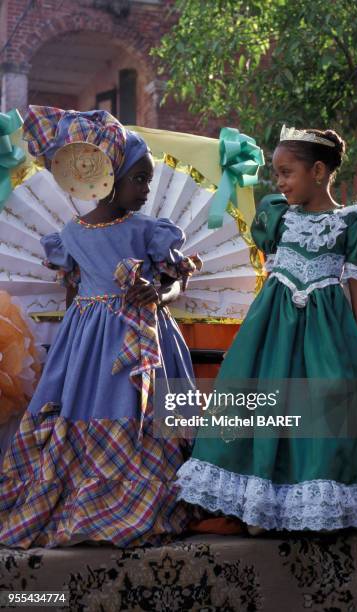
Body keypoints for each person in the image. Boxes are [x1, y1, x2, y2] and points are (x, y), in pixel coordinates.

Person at [175, 124, 357, 533]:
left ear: (318, 171)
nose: (279, 182)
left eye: (286, 172)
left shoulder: (352, 225)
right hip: (271, 332)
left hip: (326, 336)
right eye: (276, 173)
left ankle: (310, 506)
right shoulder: (278, 218)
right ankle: (257, 506)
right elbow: (271, 274)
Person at [0, 106, 201, 549]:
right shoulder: (70, 235)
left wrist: (159, 294)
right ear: (109, 177)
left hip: (146, 339)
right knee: (83, 409)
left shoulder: (150, 230)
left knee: (145, 413)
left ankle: (143, 491)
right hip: (88, 344)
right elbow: (73, 293)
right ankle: (86, 491)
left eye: (148, 179)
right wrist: (66, 353)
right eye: (139, 178)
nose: (147, 189)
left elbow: (177, 281)